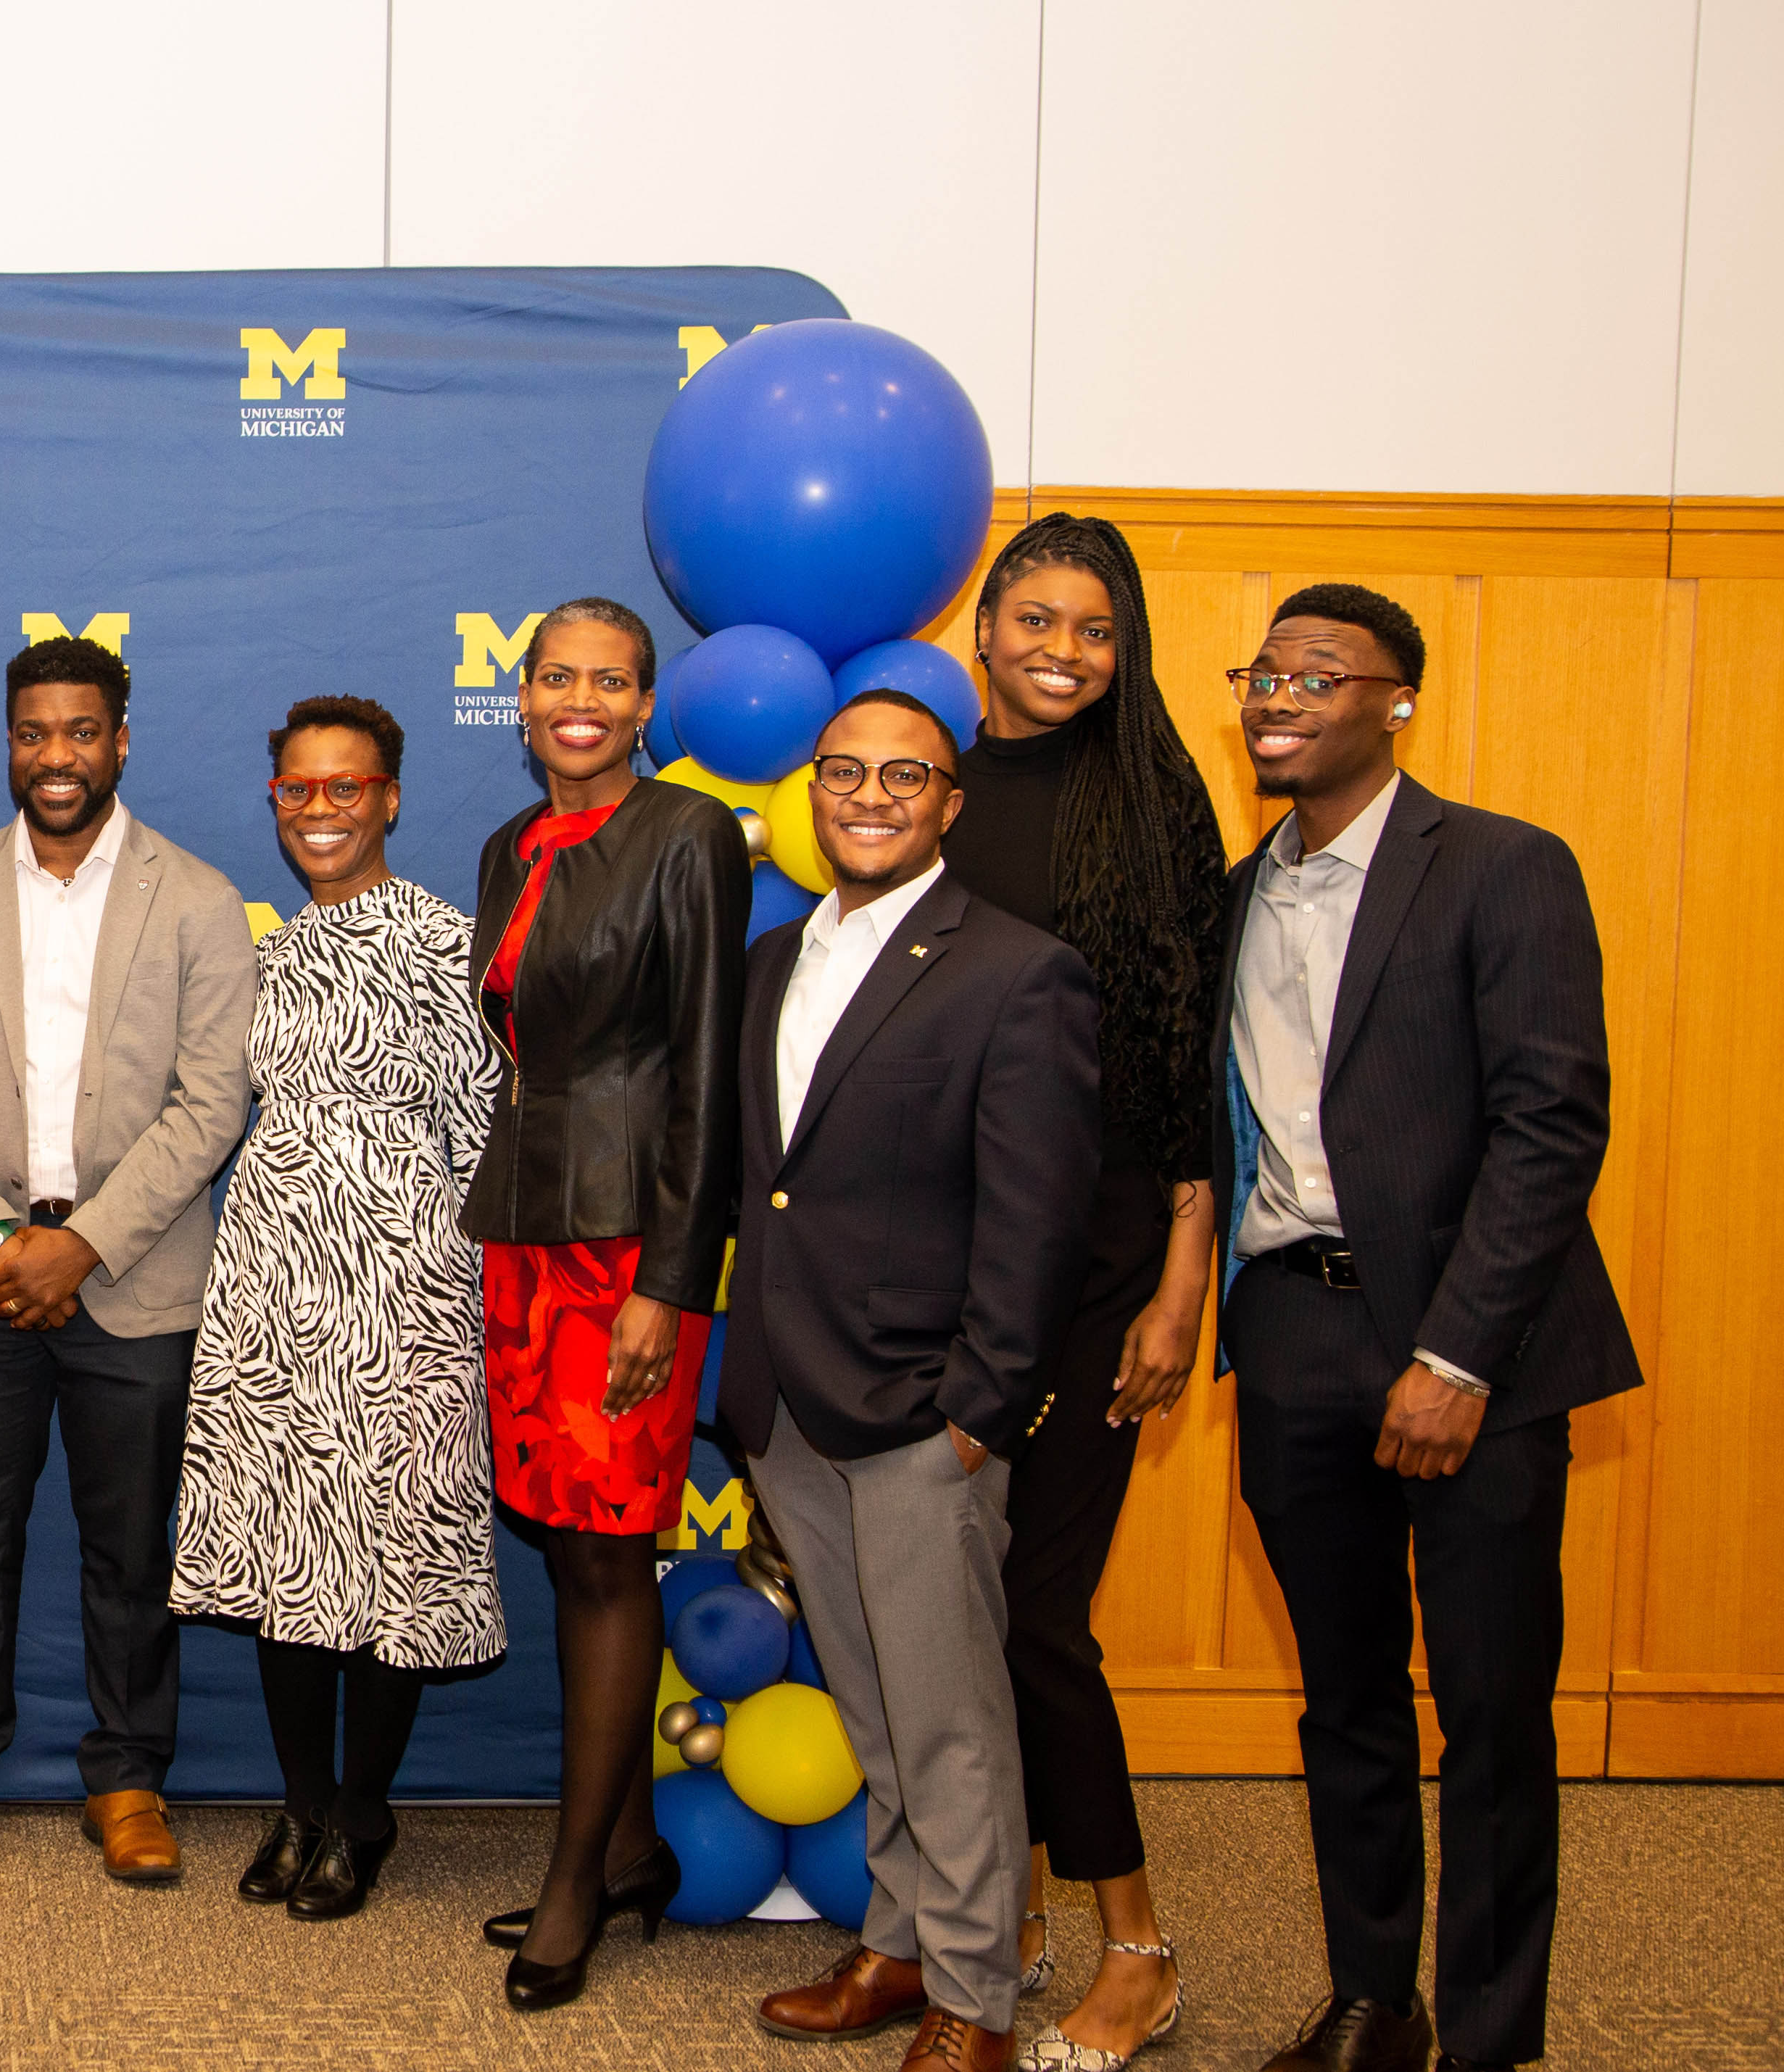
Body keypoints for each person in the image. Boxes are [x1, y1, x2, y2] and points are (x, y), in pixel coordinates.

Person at [1211, 587, 1635, 2072]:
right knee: (1345, 1702)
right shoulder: (1236, 891)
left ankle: (1492, 2040)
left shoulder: (1504, 867)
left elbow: (1550, 1121)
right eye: (1266, 670)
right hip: (1291, 1335)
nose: (1281, 693)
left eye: (1319, 674)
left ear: (1396, 703)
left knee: (1494, 1713)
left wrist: (1457, 1356)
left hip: (1475, 1354)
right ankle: (1376, 1999)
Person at [721, 690, 1100, 2072]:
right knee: (875, 1702)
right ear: (813, 791)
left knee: (951, 1721)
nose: (869, 793)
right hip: (787, 1398)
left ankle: (978, 2002)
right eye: (845, 771)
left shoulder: (1017, 970)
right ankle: (898, 1944)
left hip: (921, 1413)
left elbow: (1037, 1219)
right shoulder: (771, 960)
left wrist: (978, 1413)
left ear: (951, 802)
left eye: (905, 774)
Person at [0, 634, 257, 1886]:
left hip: (133, 1276)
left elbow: (211, 1104)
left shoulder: (196, 898)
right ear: (9, 741)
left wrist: (80, 1243)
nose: (57, 756)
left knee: (131, 1546)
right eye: (34, 732)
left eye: (81, 731)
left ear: (122, 738)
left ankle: (131, 1777)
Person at [940, 515, 1224, 2072]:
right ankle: (1014, 1913)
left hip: (1105, 1261)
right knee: (963, 1620)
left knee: (1041, 1615)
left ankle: (1141, 1945)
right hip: (952, 1265)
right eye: (1035, 617)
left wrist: (1182, 1283)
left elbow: (1186, 1072)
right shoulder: (931, 786)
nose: (1062, 647)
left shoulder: (1149, 800)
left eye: (1095, 628)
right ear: (983, 626)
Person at [457, 601, 747, 2009]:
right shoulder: (512, 847)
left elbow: (704, 1068)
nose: (581, 699)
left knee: (612, 1549)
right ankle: (627, 1842)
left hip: (629, 1253)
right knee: (570, 1544)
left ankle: (575, 1883)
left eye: (611, 680)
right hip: (528, 1229)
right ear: (522, 703)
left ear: (646, 706)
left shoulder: (688, 836)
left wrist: (669, 1285)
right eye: (557, 676)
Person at [169, 695, 496, 1925]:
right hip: (271, 1279)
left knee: (387, 1556)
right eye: (297, 789)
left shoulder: (450, 945)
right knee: (284, 1545)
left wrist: (448, 1291)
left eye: (343, 787)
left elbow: (481, 1131)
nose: (319, 809)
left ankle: (364, 1812)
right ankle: (301, 1800)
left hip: (406, 1286)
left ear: (390, 797)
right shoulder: (269, 950)